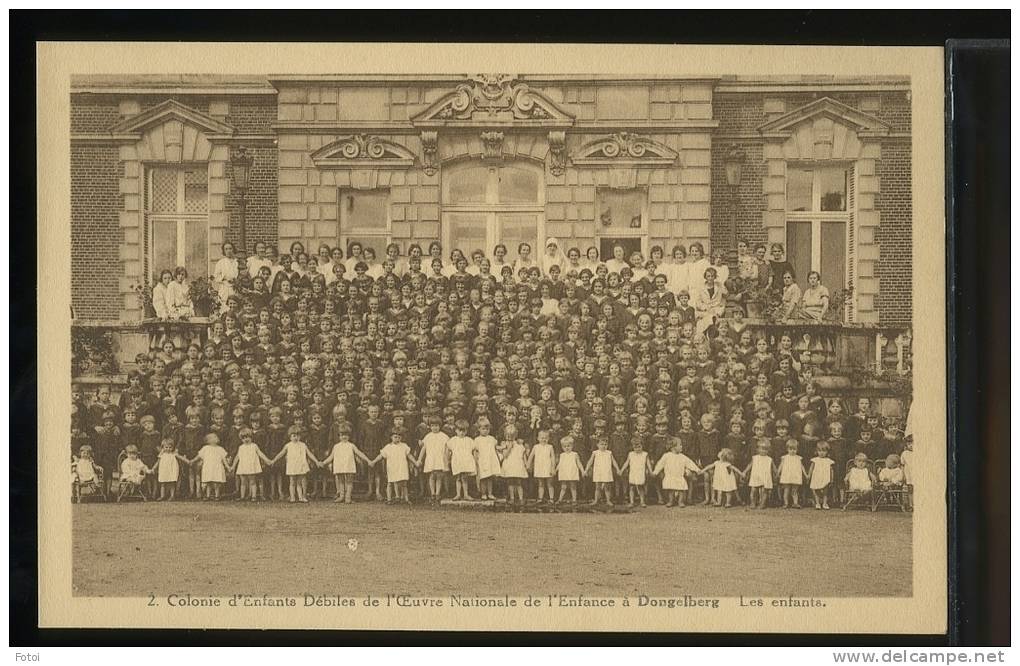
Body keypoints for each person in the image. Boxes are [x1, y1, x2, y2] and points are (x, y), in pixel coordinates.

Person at [268, 426, 320, 503]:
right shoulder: (288, 445)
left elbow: (310, 454)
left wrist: (316, 461)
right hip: (292, 466)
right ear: (290, 437)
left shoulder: (303, 445)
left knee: (299, 482)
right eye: (294, 436)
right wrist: (273, 460)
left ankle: (301, 497)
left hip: (300, 465)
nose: (296, 438)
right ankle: (292, 497)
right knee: (292, 482)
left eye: (298, 435)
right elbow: (281, 454)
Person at [653, 437, 702, 507]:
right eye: (680, 445)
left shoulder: (682, 457)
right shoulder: (666, 456)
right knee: (671, 490)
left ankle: (680, 501)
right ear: (673, 447)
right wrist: (655, 472)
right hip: (670, 476)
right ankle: (671, 501)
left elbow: (690, 463)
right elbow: (660, 464)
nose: (682, 446)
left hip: (679, 476)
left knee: (681, 489)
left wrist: (697, 470)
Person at [370, 430, 417, 504]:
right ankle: (389, 499)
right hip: (392, 467)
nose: (397, 439)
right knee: (390, 483)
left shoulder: (404, 446)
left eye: (399, 437)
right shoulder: (388, 447)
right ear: (391, 437)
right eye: (395, 437)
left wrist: (415, 462)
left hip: (402, 467)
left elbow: (409, 455)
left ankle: (406, 499)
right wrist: (373, 461)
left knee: (404, 483)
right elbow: (381, 456)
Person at [230, 427, 273, 501]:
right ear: (241, 439)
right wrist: (233, 466)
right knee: (243, 482)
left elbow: (260, 454)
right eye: (243, 438)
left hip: (251, 466)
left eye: (248, 437)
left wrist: (267, 460)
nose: (246, 439)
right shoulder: (241, 447)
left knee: (252, 481)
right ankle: (242, 496)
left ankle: (254, 496)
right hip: (243, 466)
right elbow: (237, 457)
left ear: (251, 437)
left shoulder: (254, 446)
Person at [417, 416, 450, 504]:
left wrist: (447, 460)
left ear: (440, 426)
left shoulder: (444, 436)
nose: (434, 428)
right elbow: (423, 449)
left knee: (439, 476)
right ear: (430, 426)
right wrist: (419, 459)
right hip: (431, 459)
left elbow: (447, 449)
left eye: (436, 425)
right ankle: (432, 493)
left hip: (439, 458)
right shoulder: (428, 436)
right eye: (432, 426)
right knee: (431, 476)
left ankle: (438, 493)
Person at [189, 433, 229, 501]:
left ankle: (217, 495)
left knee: (216, 483)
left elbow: (224, 459)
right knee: (208, 482)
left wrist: (227, 466)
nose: (216, 438)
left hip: (217, 468)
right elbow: (199, 456)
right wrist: (193, 461)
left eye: (216, 436)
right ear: (208, 440)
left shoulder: (220, 449)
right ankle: (208, 495)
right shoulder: (205, 448)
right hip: (208, 468)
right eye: (214, 437)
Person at [447, 419, 477, 501]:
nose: (462, 433)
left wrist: (474, 459)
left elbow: (474, 450)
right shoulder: (453, 440)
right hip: (457, 461)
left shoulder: (469, 440)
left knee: (464, 478)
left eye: (464, 431)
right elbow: (448, 450)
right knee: (458, 478)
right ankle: (458, 494)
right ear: (456, 430)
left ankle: (466, 494)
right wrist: (448, 459)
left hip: (466, 461)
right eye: (460, 430)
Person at [743, 441, 778, 509]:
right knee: (753, 490)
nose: (763, 451)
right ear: (758, 449)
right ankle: (753, 503)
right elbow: (750, 465)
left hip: (765, 476)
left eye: (766, 449)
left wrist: (776, 473)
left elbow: (774, 467)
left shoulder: (769, 459)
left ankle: (762, 504)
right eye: (762, 449)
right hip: (756, 476)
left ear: (768, 450)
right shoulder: (755, 457)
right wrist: (745, 471)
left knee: (764, 491)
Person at [585, 437, 619, 506]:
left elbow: (614, 462)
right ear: (597, 445)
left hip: (606, 471)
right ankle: (596, 500)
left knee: (607, 487)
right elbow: (590, 462)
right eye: (601, 444)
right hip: (598, 471)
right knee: (597, 486)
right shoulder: (595, 453)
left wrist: (617, 469)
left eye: (605, 444)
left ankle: (608, 500)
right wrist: (586, 470)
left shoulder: (609, 453)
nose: (603, 446)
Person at [473, 418, 501, 501]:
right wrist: (476, 460)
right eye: (483, 429)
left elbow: (496, 447)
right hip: (482, 461)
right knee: (483, 478)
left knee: (489, 478)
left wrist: (504, 447)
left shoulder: (492, 439)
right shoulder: (477, 440)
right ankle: (483, 494)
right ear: (479, 429)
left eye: (487, 429)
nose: (485, 431)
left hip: (490, 460)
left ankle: (490, 493)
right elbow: (475, 451)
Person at [500, 425, 528, 506]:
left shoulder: (519, 444)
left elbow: (523, 455)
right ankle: (512, 498)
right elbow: (505, 455)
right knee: (510, 483)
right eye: (508, 436)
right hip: (509, 466)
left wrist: (526, 464)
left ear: (515, 436)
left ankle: (521, 498)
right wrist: (509, 448)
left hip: (518, 465)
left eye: (512, 436)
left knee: (519, 483)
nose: (509, 438)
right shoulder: (504, 444)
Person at [620, 438, 653, 507]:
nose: (637, 449)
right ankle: (632, 502)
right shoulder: (631, 454)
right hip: (633, 472)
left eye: (639, 447)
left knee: (641, 487)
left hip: (640, 472)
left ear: (642, 446)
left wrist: (651, 471)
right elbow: (627, 463)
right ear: (633, 447)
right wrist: (622, 470)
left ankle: (642, 502)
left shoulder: (645, 454)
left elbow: (648, 464)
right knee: (631, 487)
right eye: (635, 447)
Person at [527, 429, 556, 503]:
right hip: (539, 467)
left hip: (547, 467)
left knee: (550, 484)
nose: (544, 439)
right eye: (542, 438)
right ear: (538, 438)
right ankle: (540, 498)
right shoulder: (536, 447)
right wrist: (528, 465)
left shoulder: (550, 447)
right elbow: (531, 456)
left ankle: (551, 498)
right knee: (541, 484)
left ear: (548, 438)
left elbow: (553, 458)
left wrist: (553, 468)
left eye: (546, 438)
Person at [554, 435, 585, 504]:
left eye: (568, 446)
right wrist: (555, 470)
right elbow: (559, 464)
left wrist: (582, 471)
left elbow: (579, 463)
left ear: (572, 446)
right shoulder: (562, 455)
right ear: (562, 447)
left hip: (572, 472)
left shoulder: (575, 454)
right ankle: (560, 500)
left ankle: (574, 500)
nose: (567, 448)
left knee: (573, 487)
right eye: (565, 446)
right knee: (563, 487)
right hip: (564, 472)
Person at [777, 439, 806, 508]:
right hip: (786, 475)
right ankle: (785, 503)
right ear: (787, 449)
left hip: (795, 475)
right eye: (790, 449)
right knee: (786, 490)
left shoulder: (799, 458)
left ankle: (795, 503)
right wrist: (778, 472)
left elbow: (802, 467)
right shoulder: (784, 457)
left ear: (797, 449)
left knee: (795, 490)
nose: (792, 451)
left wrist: (805, 474)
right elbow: (781, 466)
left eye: (794, 449)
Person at [807, 441, 835, 510]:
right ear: (816, 451)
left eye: (824, 451)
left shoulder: (829, 460)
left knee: (825, 491)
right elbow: (811, 468)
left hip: (825, 477)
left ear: (827, 452)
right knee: (816, 490)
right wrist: (809, 476)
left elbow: (831, 470)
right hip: (816, 477)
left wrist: (832, 479)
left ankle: (825, 503)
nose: (821, 453)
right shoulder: (815, 460)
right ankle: (817, 503)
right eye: (819, 451)